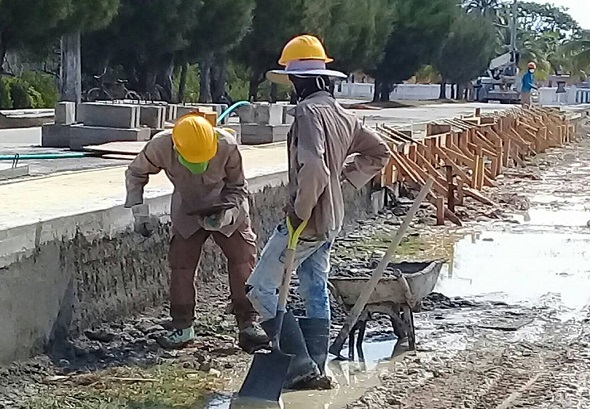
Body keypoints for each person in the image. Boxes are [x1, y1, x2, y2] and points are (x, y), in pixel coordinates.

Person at [245, 34, 391, 389]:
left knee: (260, 288)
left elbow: (313, 168)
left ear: (299, 80)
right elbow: (379, 153)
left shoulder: (308, 113)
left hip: (308, 221)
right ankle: (317, 366)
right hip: (333, 218)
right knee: (314, 287)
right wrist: (346, 183)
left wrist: (300, 211)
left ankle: (298, 364)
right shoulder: (342, 114)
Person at [124, 113, 269, 351]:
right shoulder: (162, 145)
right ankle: (182, 326)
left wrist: (228, 215)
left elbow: (238, 187)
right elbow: (136, 173)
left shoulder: (226, 145)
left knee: (242, 258)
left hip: (224, 204)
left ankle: (248, 322)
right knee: (181, 263)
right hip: (187, 206)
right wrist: (139, 211)